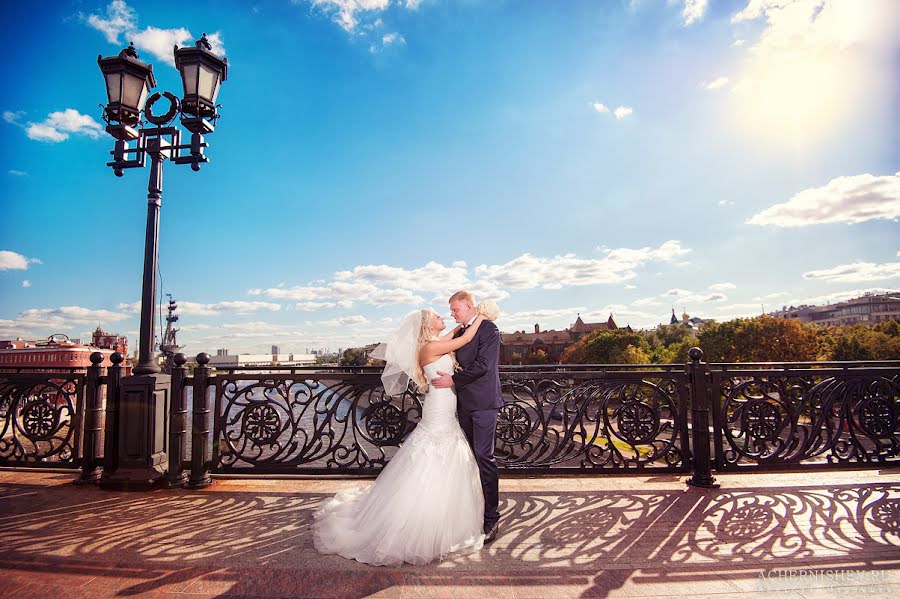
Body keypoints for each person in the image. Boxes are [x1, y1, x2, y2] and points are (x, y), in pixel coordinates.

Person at [312, 307, 488, 566]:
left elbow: (456, 333)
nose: (443, 318)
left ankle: (440, 519)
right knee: (432, 461)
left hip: (446, 409)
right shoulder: (429, 349)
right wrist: (482, 317)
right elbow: (463, 340)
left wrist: (467, 319)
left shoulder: (436, 343)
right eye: (438, 316)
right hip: (438, 410)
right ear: (427, 325)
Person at [431, 290, 503, 543]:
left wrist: (454, 378)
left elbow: (484, 364)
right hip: (462, 405)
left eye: (455, 309)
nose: (452, 314)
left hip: (484, 403)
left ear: (470, 306)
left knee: (484, 457)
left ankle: (492, 517)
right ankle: (472, 512)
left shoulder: (489, 330)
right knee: (468, 459)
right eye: (450, 310)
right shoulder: (462, 333)